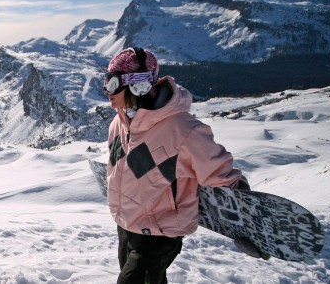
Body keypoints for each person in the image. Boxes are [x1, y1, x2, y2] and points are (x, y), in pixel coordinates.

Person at [103, 47, 268, 284]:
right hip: (127, 225)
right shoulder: (118, 125)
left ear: (137, 85)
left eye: (112, 83)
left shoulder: (183, 131)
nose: (106, 90)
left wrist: (248, 224)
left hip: (160, 232)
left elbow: (222, 174)